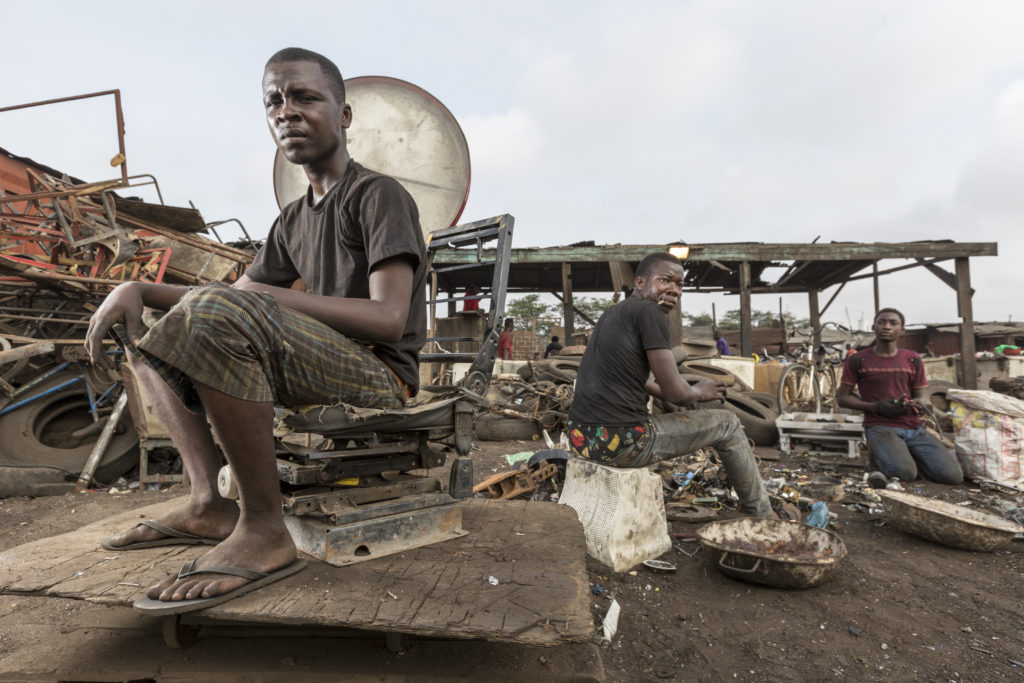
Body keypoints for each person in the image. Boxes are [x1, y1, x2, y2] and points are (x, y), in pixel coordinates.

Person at [84, 48, 427, 612]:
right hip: (319, 360)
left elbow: (389, 318)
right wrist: (138, 290)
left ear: (344, 115)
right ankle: (206, 502)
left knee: (216, 311)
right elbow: (236, 298)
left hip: (379, 372)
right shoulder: (292, 218)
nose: (287, 112)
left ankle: (264, 527)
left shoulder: (377, 195)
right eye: (275, 101)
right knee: (146, 328)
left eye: (306, 98)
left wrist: (261, 297)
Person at [566, 253, 773, 517]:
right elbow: (677, 391)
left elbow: (636, 378)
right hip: (623, 444)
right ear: (640, 283)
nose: (674, 290)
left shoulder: (612, 314)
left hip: (582, 439)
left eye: (680, 284)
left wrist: (667, 393)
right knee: (727, 424)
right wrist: (699, 390)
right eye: (665, 280)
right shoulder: (650, 311)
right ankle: (763, 515)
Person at [837, 308, 963, 486]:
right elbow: (842, 398)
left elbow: (920, 396)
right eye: (882, 322)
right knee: (904, 474)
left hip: (913, 427)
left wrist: (918, 404)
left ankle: (905, 456)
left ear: (902, 330)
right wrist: (876, 407)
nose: (886, 326)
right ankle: (883, 460)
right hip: (880, 426)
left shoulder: (912, 359)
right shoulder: (858, 359)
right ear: (874, 326)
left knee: (953, 476)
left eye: (893, 323)